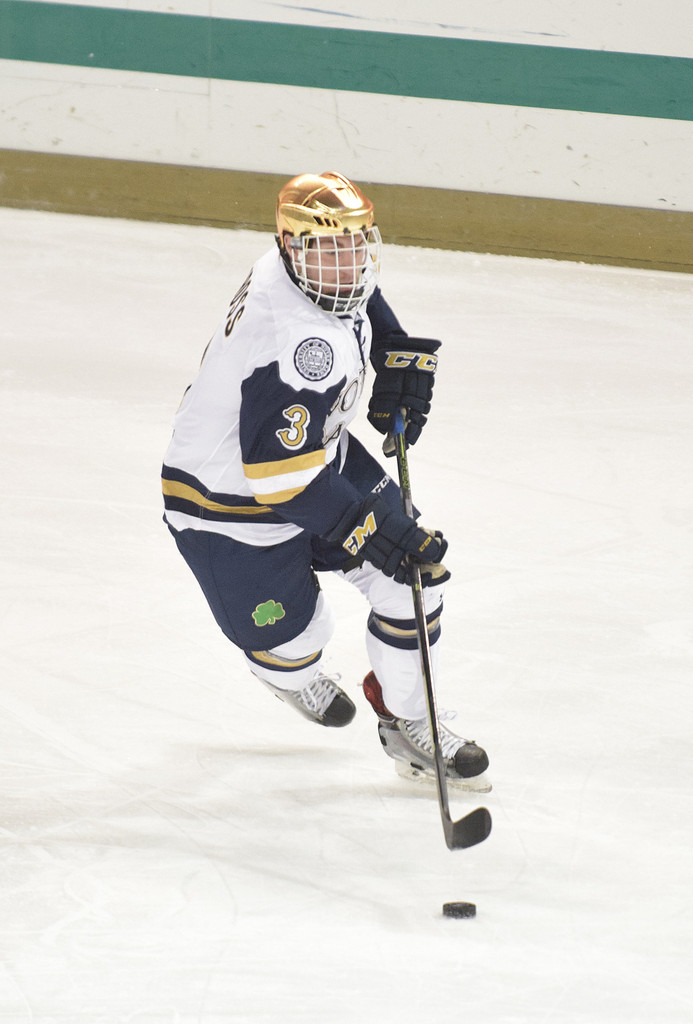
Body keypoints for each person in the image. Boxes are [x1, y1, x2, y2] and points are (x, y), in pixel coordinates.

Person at [161, 171, 489, 791]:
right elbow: (278, 479)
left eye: (357, 246)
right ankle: (282, 670)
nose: (348, 265)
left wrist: (393, 351)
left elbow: (361, 296)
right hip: (226, 504)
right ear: (291, 247)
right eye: (329, 251)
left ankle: (411, 723)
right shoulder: (299, 343)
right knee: (303, 638)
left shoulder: (304, 269)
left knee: (410, 581)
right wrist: (372, 532)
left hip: (312, 457)